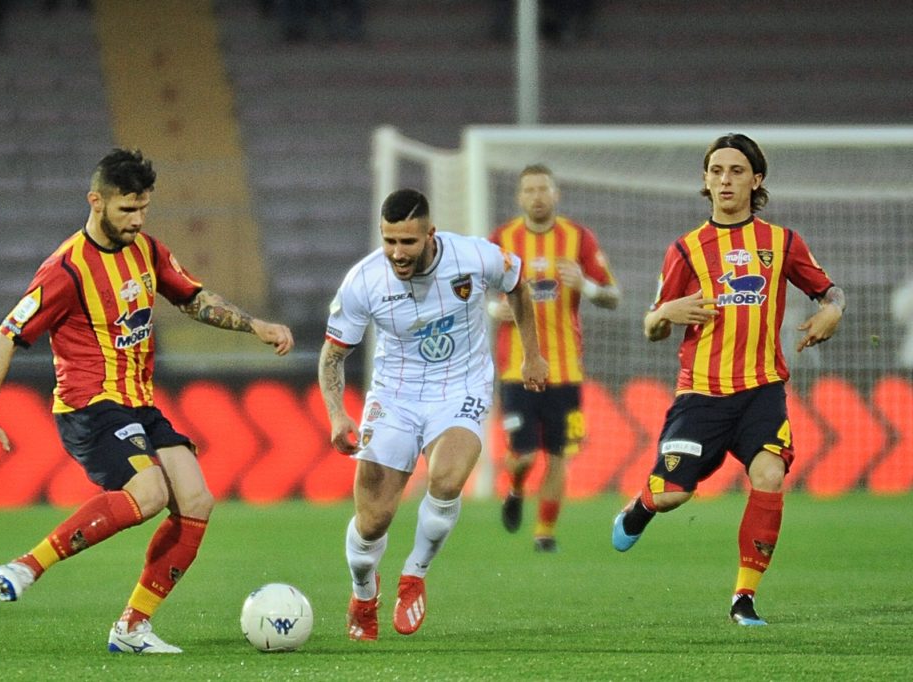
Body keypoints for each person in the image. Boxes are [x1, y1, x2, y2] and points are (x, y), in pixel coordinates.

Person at [0, 148, 294, 654]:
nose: (137, 220)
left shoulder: (147, 251)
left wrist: (255, 326)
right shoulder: (65, 270)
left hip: (138, 404)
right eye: (127, 209)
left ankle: (132, 628)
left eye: (143, 208)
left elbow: (193, 298)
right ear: (96, 202)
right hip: (89, 407)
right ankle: (27, 566)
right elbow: (5, 336)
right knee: (150, 492)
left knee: (196, 501)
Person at [611, 133, 845, 626]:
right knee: (674, 494)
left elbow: (830, 291)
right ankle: (641, 508)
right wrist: (664, 313)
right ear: (705, 179)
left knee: (769, 476)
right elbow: (652, 327)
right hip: (701, 394)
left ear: (756, 180)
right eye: (716, 171)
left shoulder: (782, 243)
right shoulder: (686, 250)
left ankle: (744, 598)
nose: (725, 180)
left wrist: (833, 311)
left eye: (736, 171)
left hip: (762, 390)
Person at [319, 188, 548, 640]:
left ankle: (414, 574)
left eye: (408, 241)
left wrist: (532, 354)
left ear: (430, 235)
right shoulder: (364, 280)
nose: (397, 253)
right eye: (389, 241)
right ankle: (363, 592)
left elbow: (518, 284)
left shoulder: (473, 257)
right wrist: (337, 415)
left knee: (446, 478)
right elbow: (332, 355)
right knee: (373, 520)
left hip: (461, 387)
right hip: (395, 395)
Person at [489, 164, 620, 552]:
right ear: (519, 197)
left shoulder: (578, 238)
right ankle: (515, 488)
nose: (537, 196)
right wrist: (494, 308)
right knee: (525, 455)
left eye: (543, 189)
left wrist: (587, 286)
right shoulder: (502, 239)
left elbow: (613, 296)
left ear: (556, 194)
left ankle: (544, 533)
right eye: (529, 190)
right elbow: (474, 291)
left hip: (566, 370)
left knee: (559, 455)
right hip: (518, 368)